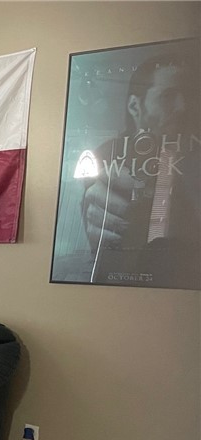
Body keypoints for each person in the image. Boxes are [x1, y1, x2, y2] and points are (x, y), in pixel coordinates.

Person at [81, 51, 199, 288]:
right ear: (135, 106)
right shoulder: (105, 155)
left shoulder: (194, 152)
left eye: (188, 96)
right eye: (168, 96)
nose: (183, 107)